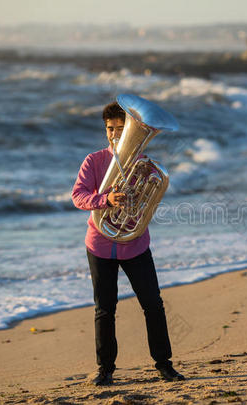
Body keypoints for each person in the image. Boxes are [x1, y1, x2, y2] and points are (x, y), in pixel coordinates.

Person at [71, 101, 184, 385]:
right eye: (110, 129)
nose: (115, 134)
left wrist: (136, 200)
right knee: (105, 308)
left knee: (153, 303)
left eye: (122, 129)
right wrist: (105, 199)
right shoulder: (93, 161)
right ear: (104, 129)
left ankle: (164, 364)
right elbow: (78, 195)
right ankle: (105, 368)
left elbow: (150, 197)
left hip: (134, 243)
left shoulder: (143, 164)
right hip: (99, 243)